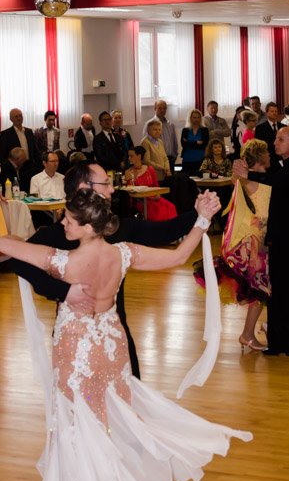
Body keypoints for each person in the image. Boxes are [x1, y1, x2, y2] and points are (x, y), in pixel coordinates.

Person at [0, 189, 252, 481]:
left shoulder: (63, 262)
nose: (62, 223)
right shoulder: (123, 253)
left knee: (81, 434)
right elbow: (179, 256)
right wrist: (202, 219)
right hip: (113, 348)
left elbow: (6, 246)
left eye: (69, 219)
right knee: (114, 429)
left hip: (76, 354)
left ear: (88, 227)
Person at [8, 161, 211, 381]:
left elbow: (166, 231)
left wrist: (199, 213)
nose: (112, 189)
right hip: (74, 342)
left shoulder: (118, 230)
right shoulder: (57, 235)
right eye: (105, 183)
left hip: (114, 333)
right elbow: (18, 262)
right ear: (84, 188)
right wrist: (63, 291)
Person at [233, 127, 289, 356]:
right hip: (284, 238)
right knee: (286, 292)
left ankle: (287, 341)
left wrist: (248, 174)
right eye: (276, 139)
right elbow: (274, 179)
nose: (275, 142)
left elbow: (276, 180)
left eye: (280, 139)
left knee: (283, 292)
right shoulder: (286, 168)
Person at [195, 140, 271, 352]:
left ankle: (264, 327)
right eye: (266, 152)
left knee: (265, 290)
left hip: (262, 238)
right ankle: (248, 334)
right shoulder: (250, 180)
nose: (270, 155)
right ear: (259, 156)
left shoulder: (256, 177)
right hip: (257, 241)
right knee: (260, 290)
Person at [125, 146, 177, 221]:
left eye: (131, 156)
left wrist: (157, 196)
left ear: (139, 156)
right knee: (157, 211)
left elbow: (156, 186)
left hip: (154, 197)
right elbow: (130, 190)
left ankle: (171, 226)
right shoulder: (129, 172)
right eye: (129, 156)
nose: (129, 158)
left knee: (170, 206)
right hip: (140, 200)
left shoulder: (150, 169)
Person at [142, 100, 179, 173]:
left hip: (169, 160)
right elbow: (146, 141)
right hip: (155, 161)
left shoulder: (170, 125)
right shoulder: (149, 124)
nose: (162, 110)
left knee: (170, 179)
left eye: (164, 108)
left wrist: (175, 154)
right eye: (160, 108)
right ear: (155, 108)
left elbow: (174, 141)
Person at [141, 119, 171, 184]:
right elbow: (147, 161)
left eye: (159, 130)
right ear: (148, 130)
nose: (157, 131)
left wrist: (167, 168)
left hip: (163, 175)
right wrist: (162, 168)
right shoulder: (145, 142)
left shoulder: (160, 142)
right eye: (155, 129)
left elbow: (165, 158)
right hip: (152, 176)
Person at [180, 108, 209, 174]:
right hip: (187, 159)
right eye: (194, 117)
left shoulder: (204, 130)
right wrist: (197, 142)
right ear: (190, 118)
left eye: (198, 117)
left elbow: (204, 145)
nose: (196, 119)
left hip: (200, 159)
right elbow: (183, 144)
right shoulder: (185, 130)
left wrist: (189, 143)